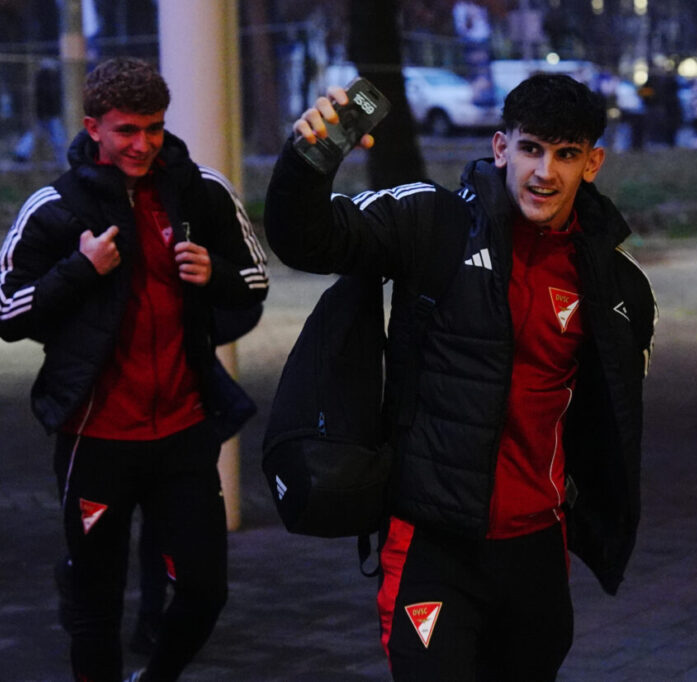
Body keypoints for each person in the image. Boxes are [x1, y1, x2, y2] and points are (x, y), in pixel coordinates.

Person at [264, 73, 656, 680]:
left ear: (592, 163)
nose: (544, 172)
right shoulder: (432, 221)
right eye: (530, 148)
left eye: (566, 154)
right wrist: (309, 159)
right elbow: (307, 240)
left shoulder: (618, 283)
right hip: (433, 543)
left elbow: (609, 417)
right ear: (501, 147)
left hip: (537, 547)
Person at [0, 57, 269, 681]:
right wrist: (79, 270)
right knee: (96, 606)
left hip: (182, 433)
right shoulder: (54, 206)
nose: (143, 144)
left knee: (204, 591)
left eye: (154, 128)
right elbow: (5, 312)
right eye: (126, 130)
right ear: (93, 127)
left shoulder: (202, 190)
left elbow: (255, 279)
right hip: (96, 438)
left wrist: (215, 274)